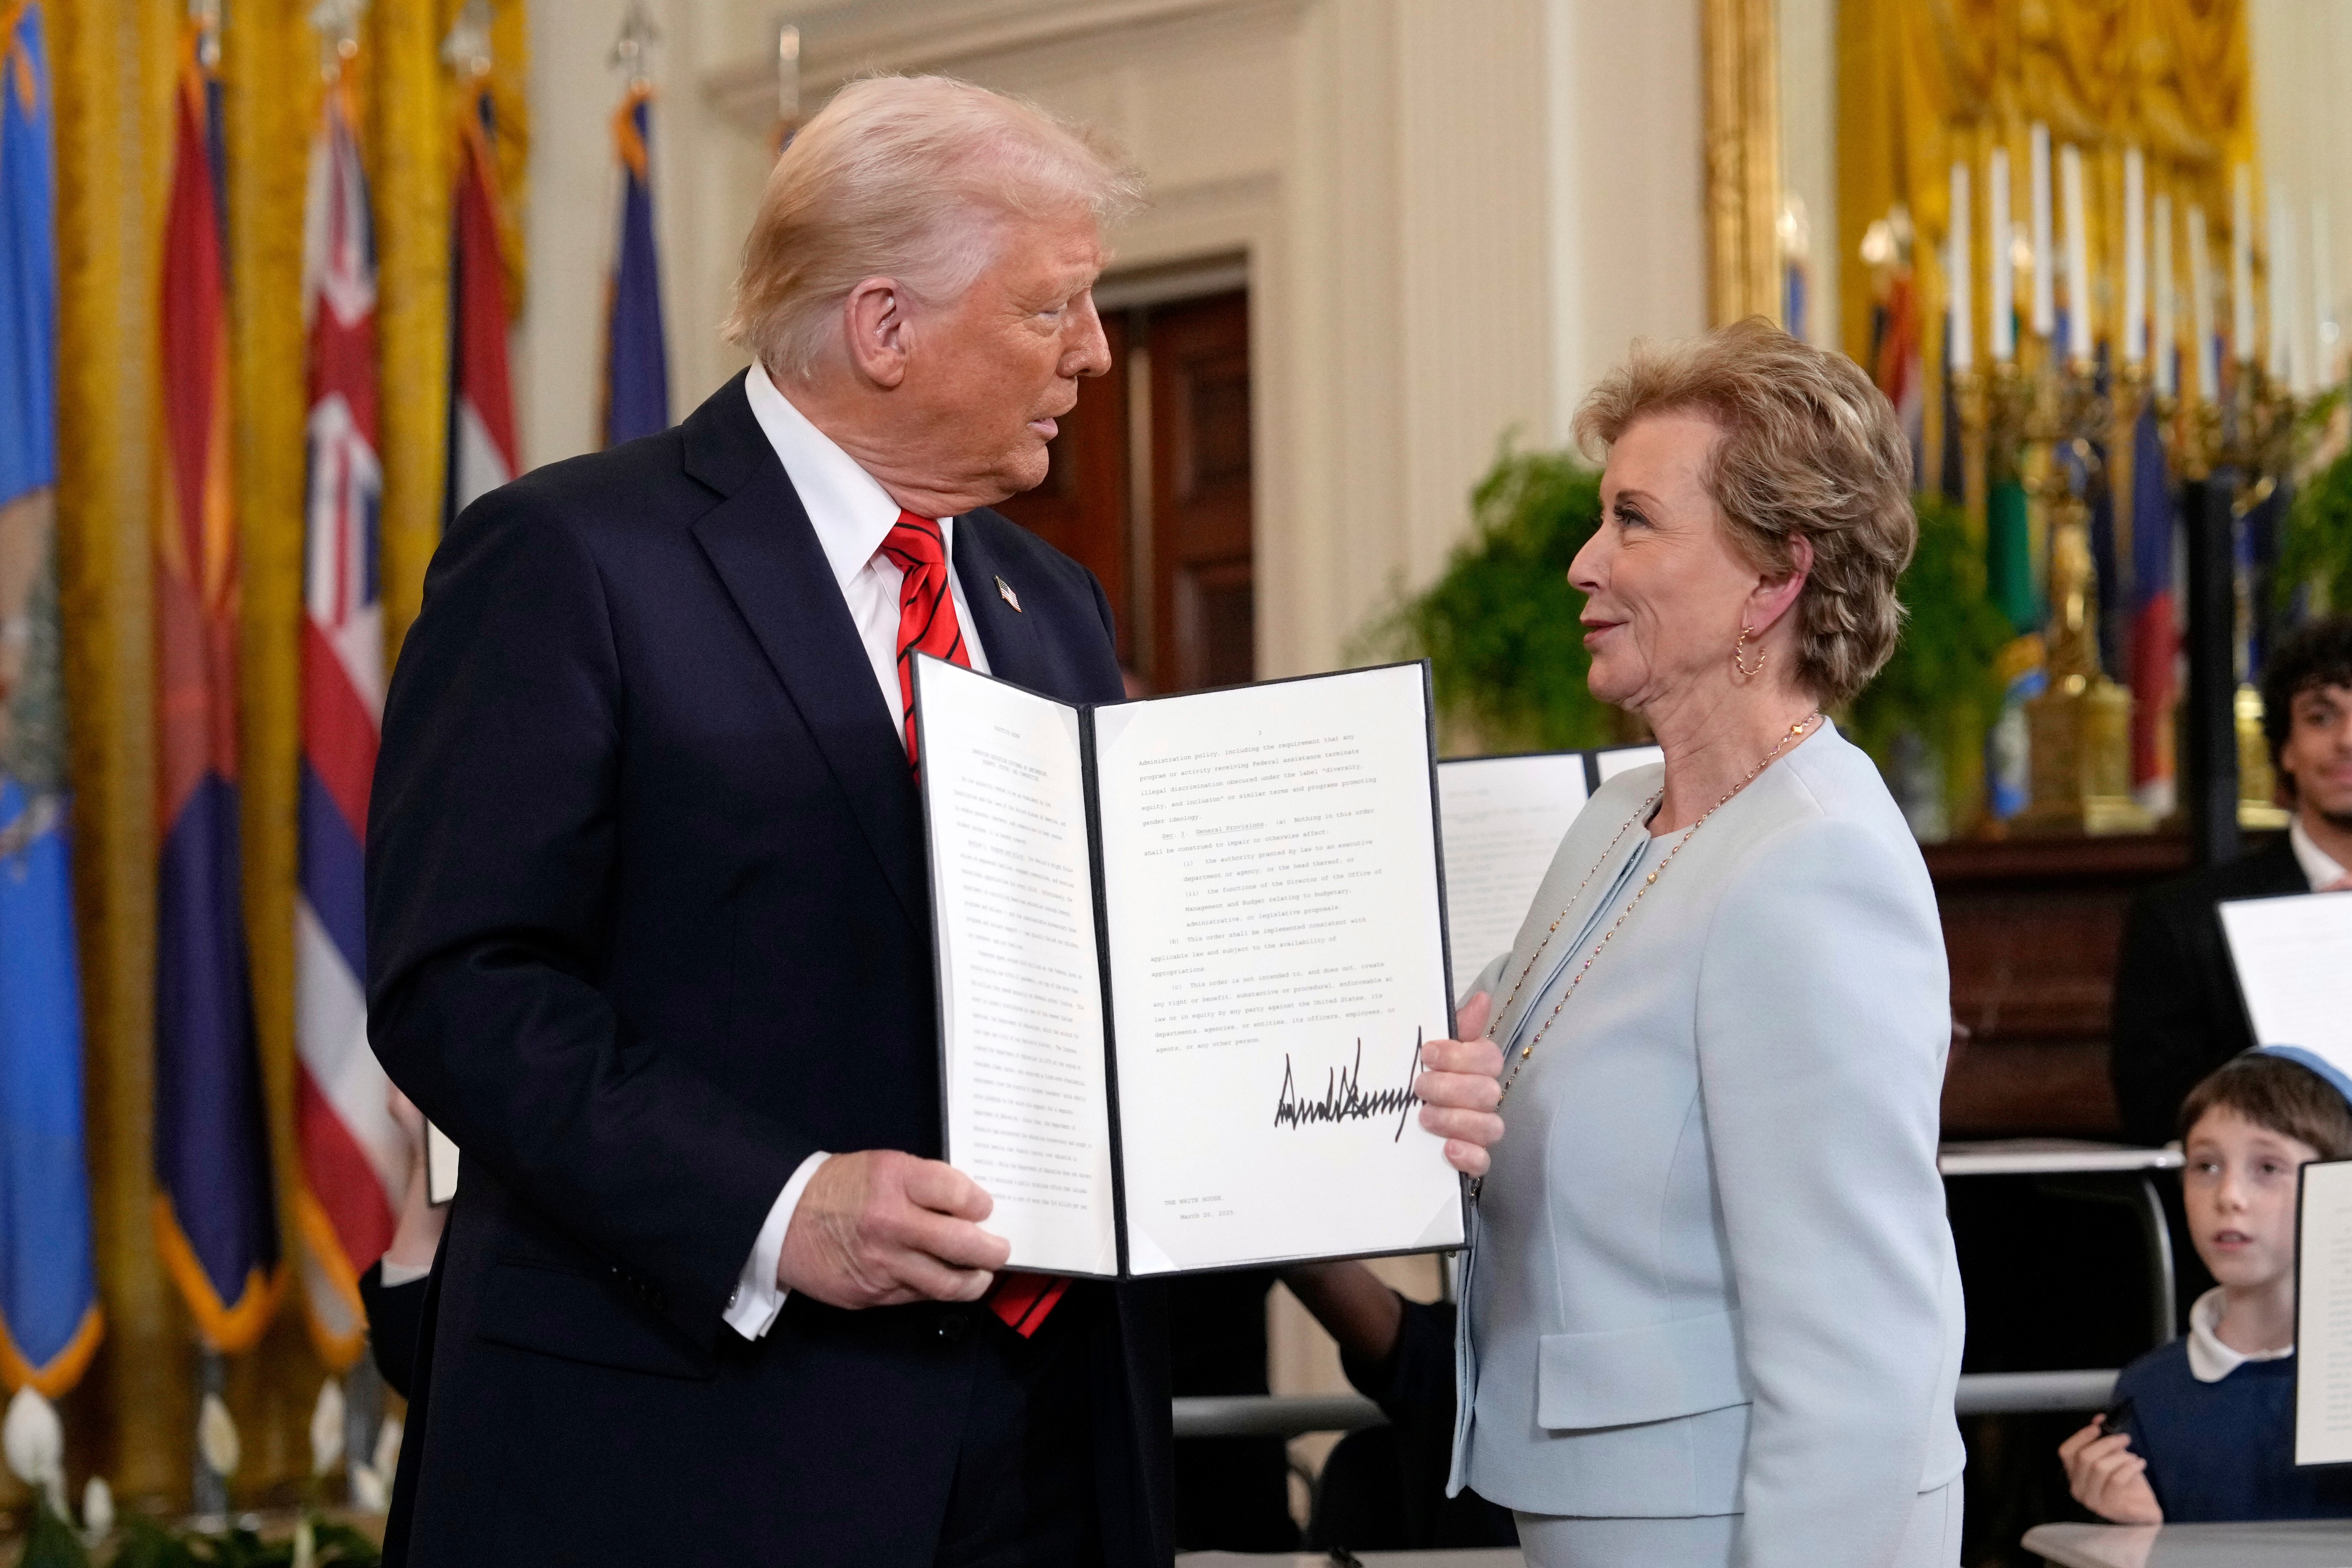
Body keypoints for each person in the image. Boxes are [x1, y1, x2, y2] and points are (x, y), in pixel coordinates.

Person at [365, 76, 1169, 1566]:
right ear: (884, 327)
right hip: (694, 1450)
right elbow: (459, 987)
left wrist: (1343, 1081)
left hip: (1049, 1445)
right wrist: (779, 1205)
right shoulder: (567, 560)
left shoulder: (1047, 605)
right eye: (1052, 309)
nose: (1095, 354)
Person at [1411, 319, 1967, 1567]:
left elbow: (1860, 1346)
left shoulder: (1814, 864)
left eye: (1633, 520)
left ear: (1775, 576)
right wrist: (1456, 1071)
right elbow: (1514, 1035)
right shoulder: (1620, 814)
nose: (1582, 562)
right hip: (1598, 1504)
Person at [2060, 1051, 2352, 1522]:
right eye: (2205, 1166)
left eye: (2267, 1168)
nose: (2228, 1197)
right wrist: (2136, 1531)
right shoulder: (2149, 1390)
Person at [2112, 615, 2352, 1148]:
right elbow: (2157, 1114)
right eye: (2320, 717)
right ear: (2284, 749)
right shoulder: (2183, 922)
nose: (2347, 740)